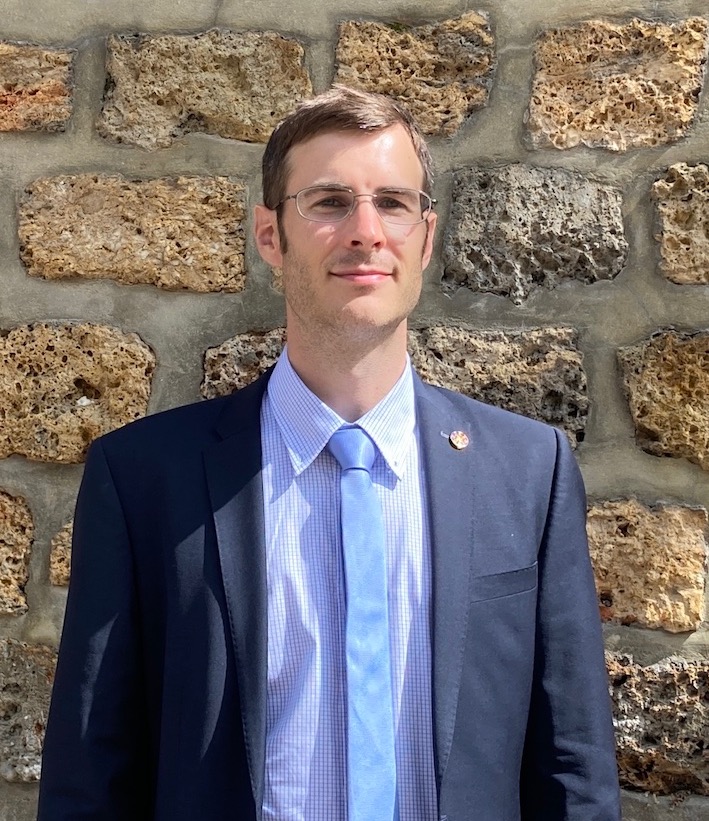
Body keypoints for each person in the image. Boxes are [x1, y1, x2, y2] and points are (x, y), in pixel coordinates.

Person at [37, 86, 621, 820]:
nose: (365, 231)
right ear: (269, 235)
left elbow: (573, 767)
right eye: (329, 202)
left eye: (393, 203)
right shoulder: (145, 479)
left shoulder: (528, 471)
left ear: (426, 239)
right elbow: (90, 775)